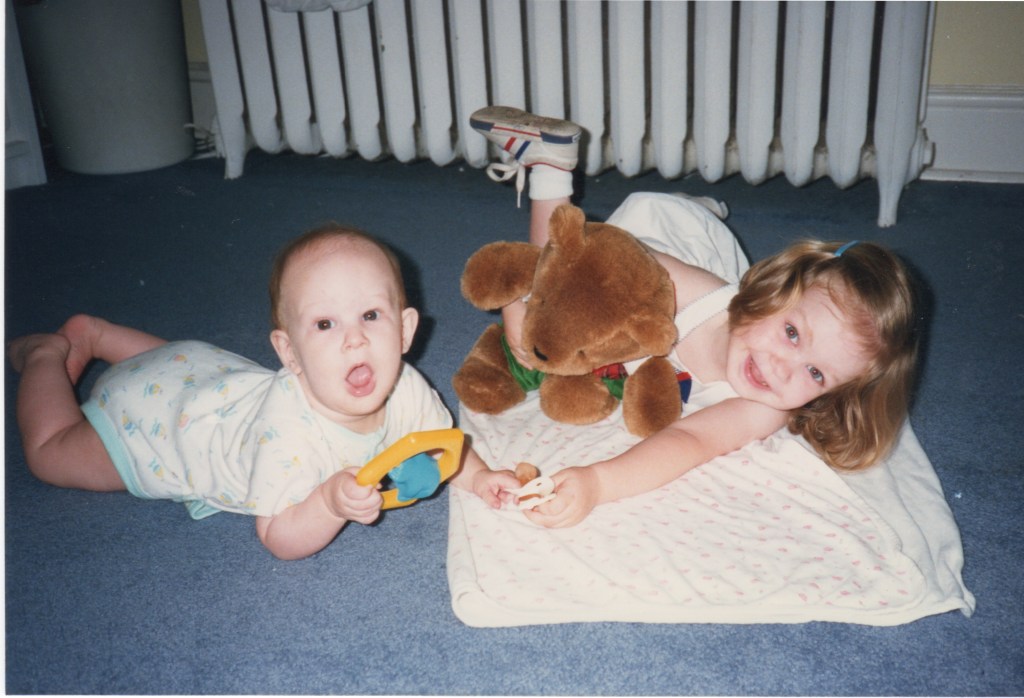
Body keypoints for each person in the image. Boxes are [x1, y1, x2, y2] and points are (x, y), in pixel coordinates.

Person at [468, 105, 920, 528]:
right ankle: (550, 164)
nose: (782, 368)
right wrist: (520, 303)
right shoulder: (696, 297)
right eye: (791, 333)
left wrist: (598, 483)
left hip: (677, 282)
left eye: (817, 373)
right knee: (574, 296)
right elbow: (571, 257)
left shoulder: (765, 409)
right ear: (772, 291)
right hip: (640, 252)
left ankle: (701, 211)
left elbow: (691, 441)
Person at [8, 225, 517, 560]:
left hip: (195, 371)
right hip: (155, 426)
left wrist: (480, 477)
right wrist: (328, 504)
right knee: (50, 454)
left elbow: (441, 446)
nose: (354, 338)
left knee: (186, 368)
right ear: (289, 352)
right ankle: (45, 356)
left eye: (370, 315)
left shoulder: (405, 385)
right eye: (324, 323)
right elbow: (279, 537)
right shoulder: (287, 434)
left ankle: (98, 333)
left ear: (405, 330)